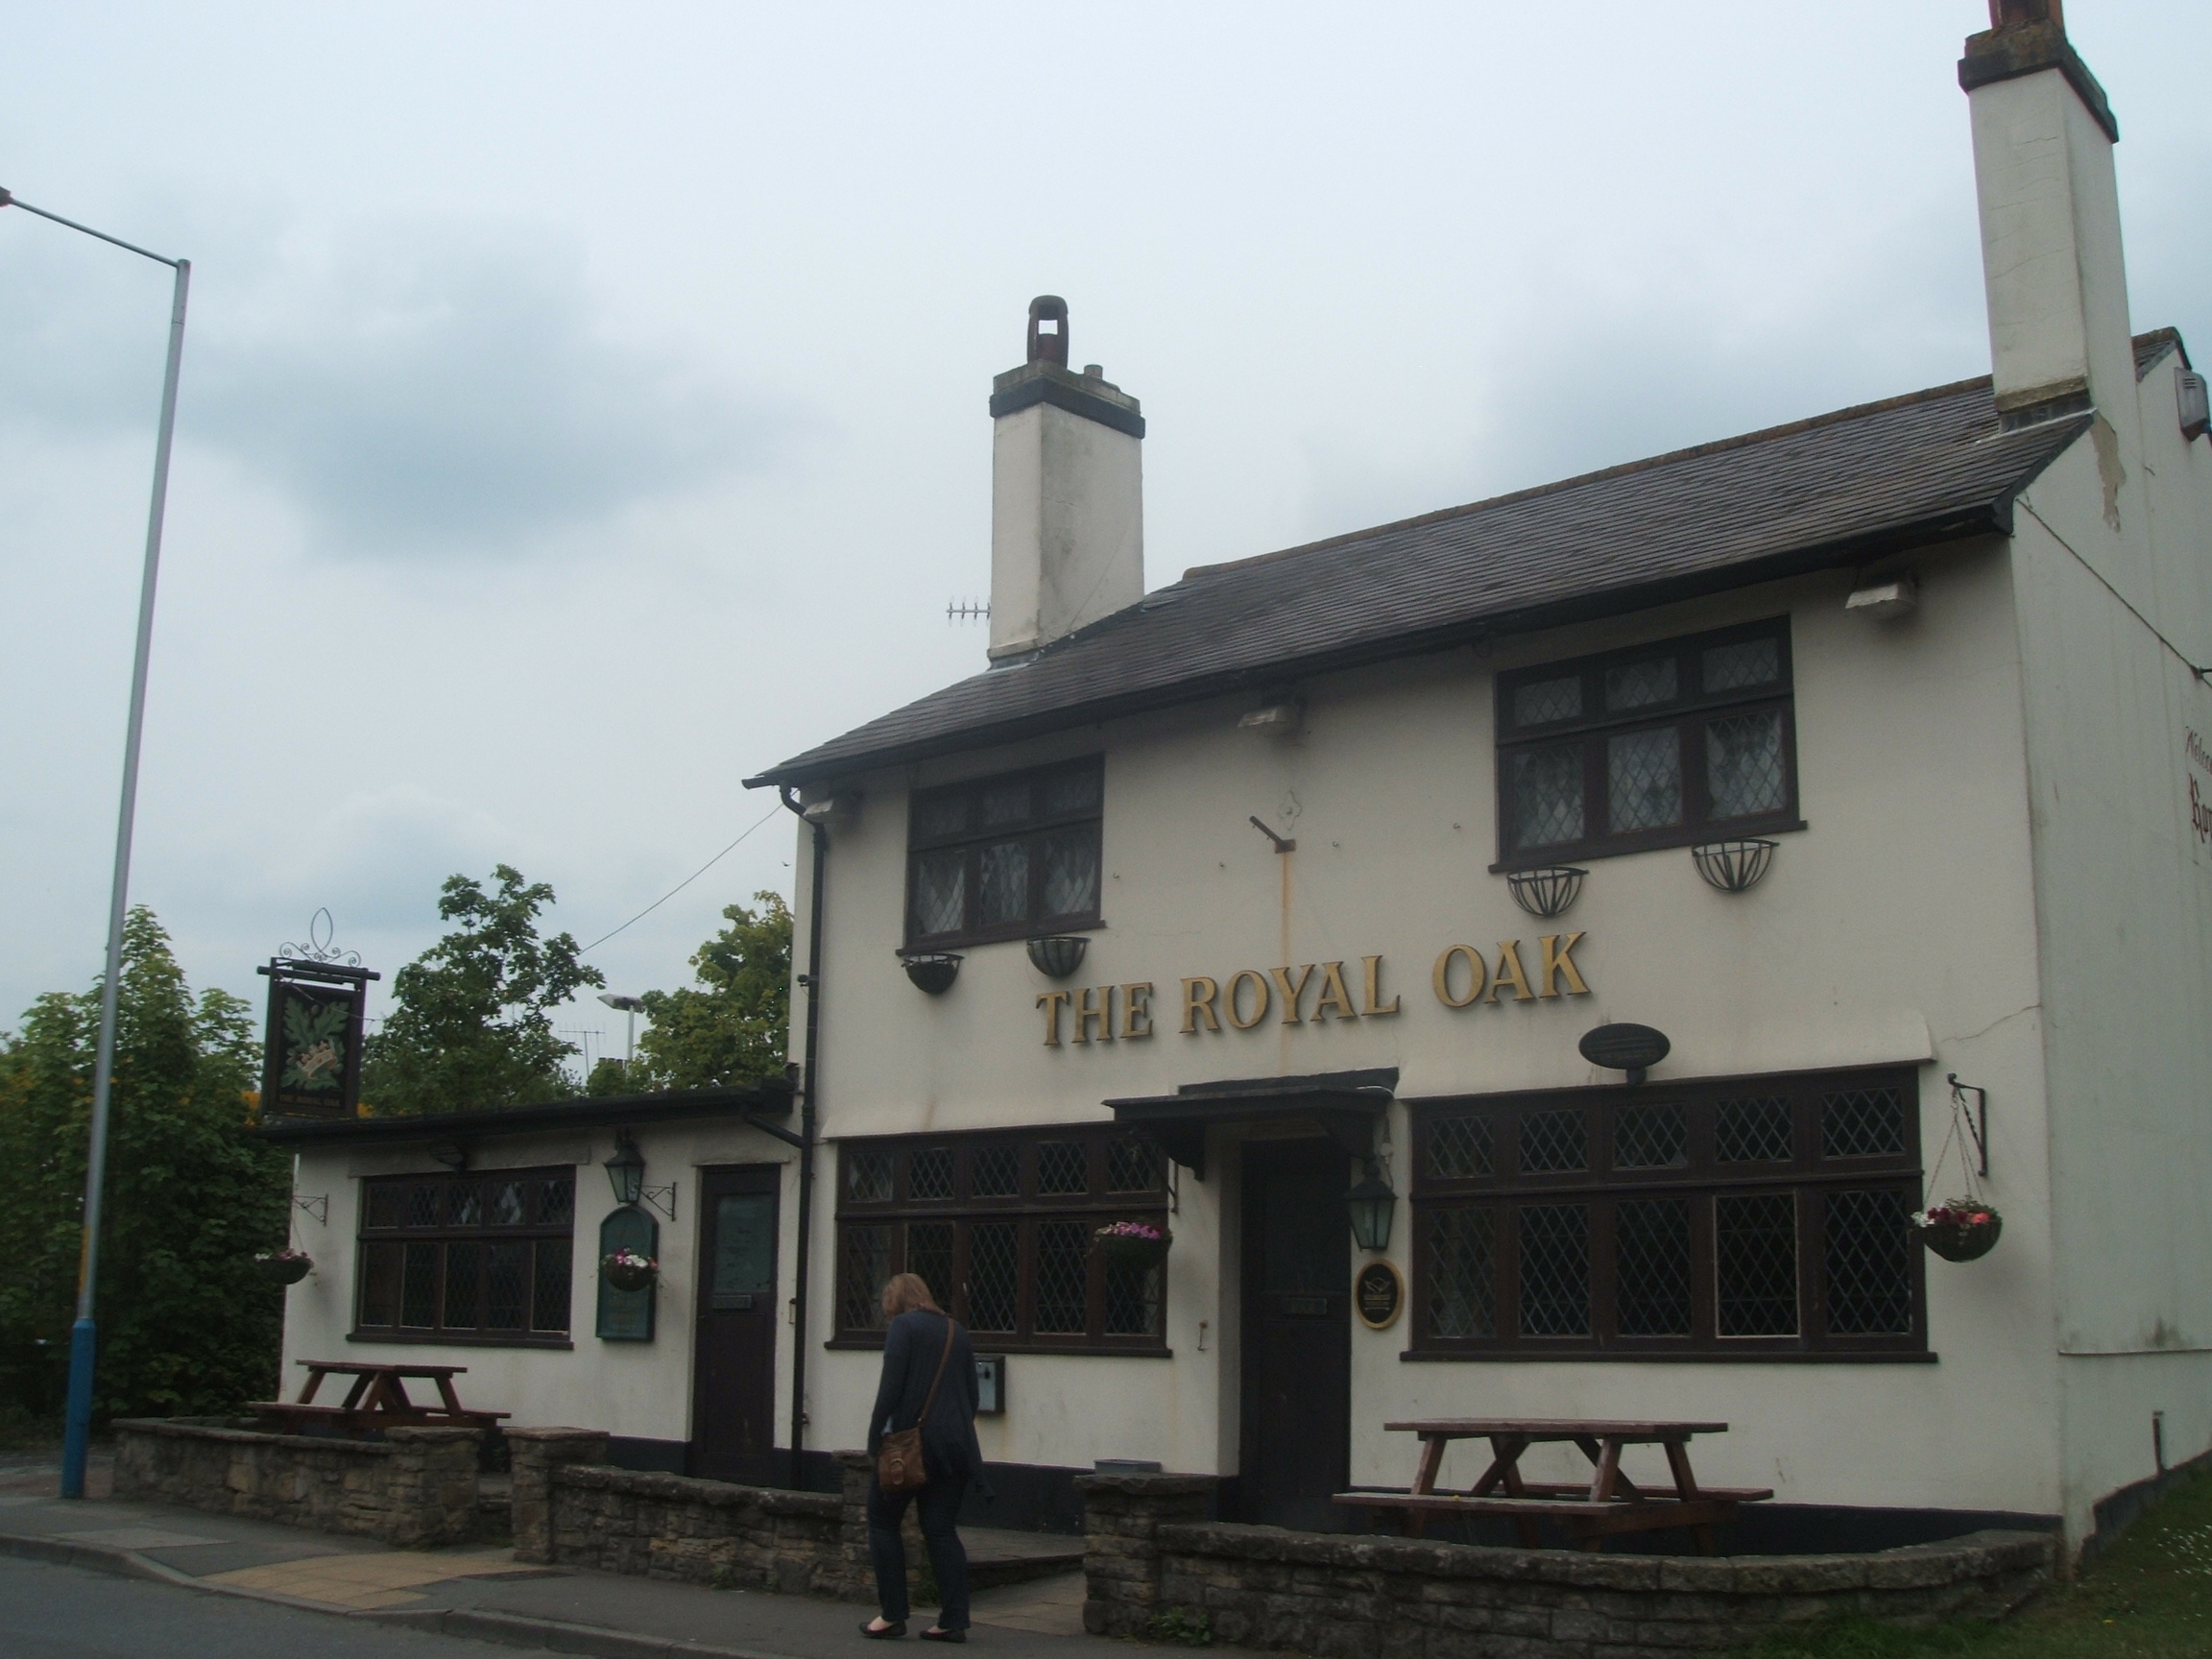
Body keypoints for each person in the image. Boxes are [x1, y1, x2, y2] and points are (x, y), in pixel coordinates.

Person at [860, 1272, 986, 1642]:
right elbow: (972, 1396)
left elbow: (891, 1387)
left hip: (908, 1447)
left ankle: (892, 1615)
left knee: (882, 1522)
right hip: (955, 1448)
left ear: (895, 1304)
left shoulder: (902, 1327)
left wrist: (874, 1436)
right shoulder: (955, 1331)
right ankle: (952, 1621)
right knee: (941, 1530)